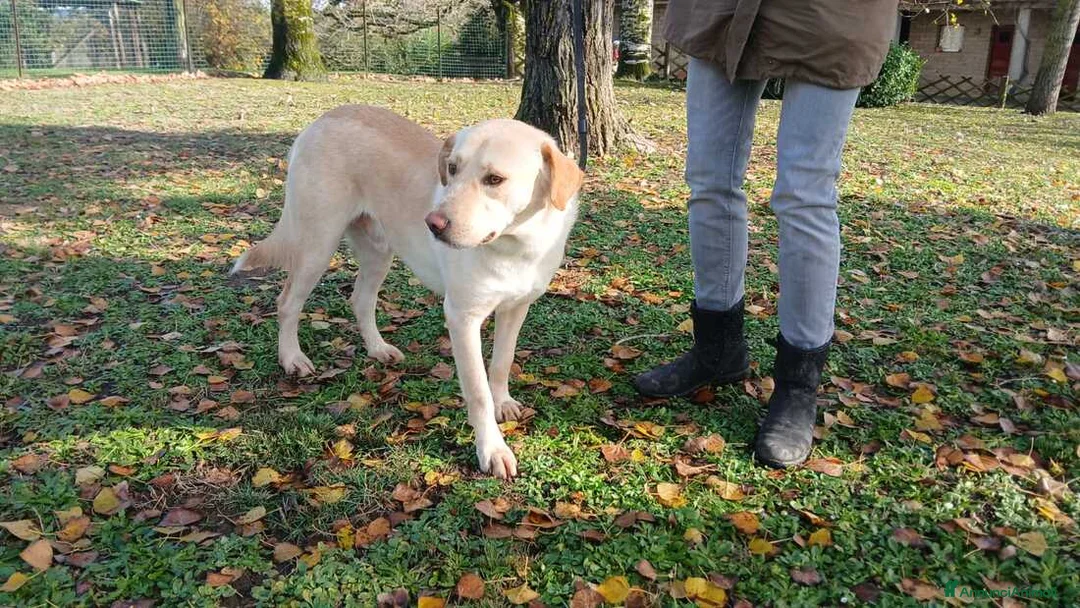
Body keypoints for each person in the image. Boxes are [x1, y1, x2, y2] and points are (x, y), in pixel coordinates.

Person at [634, 0, 899, 468]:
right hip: (720, 9)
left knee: (804, 194)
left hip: (833, 13)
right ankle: (718, 351)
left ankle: (798, 385)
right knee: (709, 181)